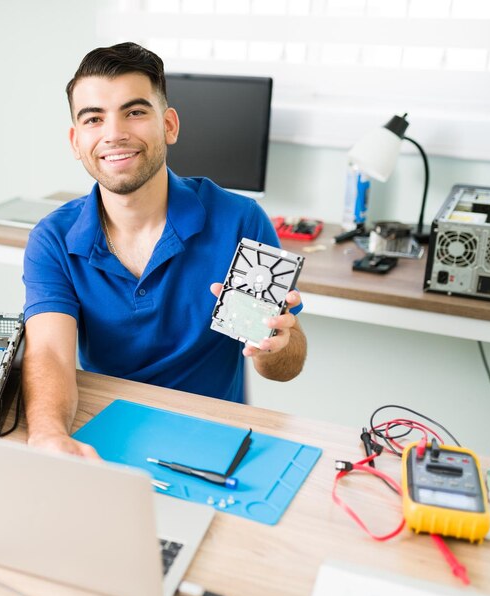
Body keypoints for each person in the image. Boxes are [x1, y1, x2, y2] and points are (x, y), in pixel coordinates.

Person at [22, 42, 306, 458]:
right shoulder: (53, 239)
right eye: (94, 118)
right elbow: (49, 353)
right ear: (75, 140)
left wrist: (274, 347)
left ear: (169, 125)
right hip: (104, 433)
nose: (114, 133)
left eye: (134, 112)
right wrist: (47, 435)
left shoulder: (239, 221)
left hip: (212, 438)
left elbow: (284, 364)